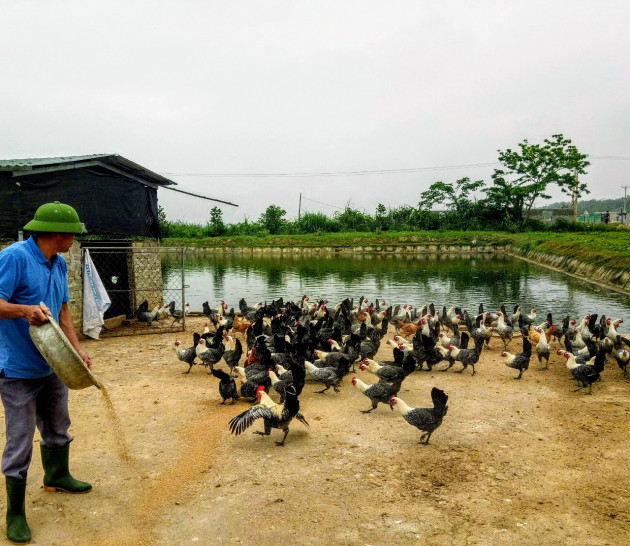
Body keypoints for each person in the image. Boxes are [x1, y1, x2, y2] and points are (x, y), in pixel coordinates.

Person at [0, 201, 92, 544]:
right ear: (57, 233)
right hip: (18, 369)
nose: (75, 239)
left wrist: (77, 350)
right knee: (20, 439)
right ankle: (16, 513)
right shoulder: (14, 257)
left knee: (58, 423)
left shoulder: (60, 261)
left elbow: (63, 309)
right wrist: (24, 310)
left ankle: (57, 475)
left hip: (53, 362)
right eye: (73, 233)